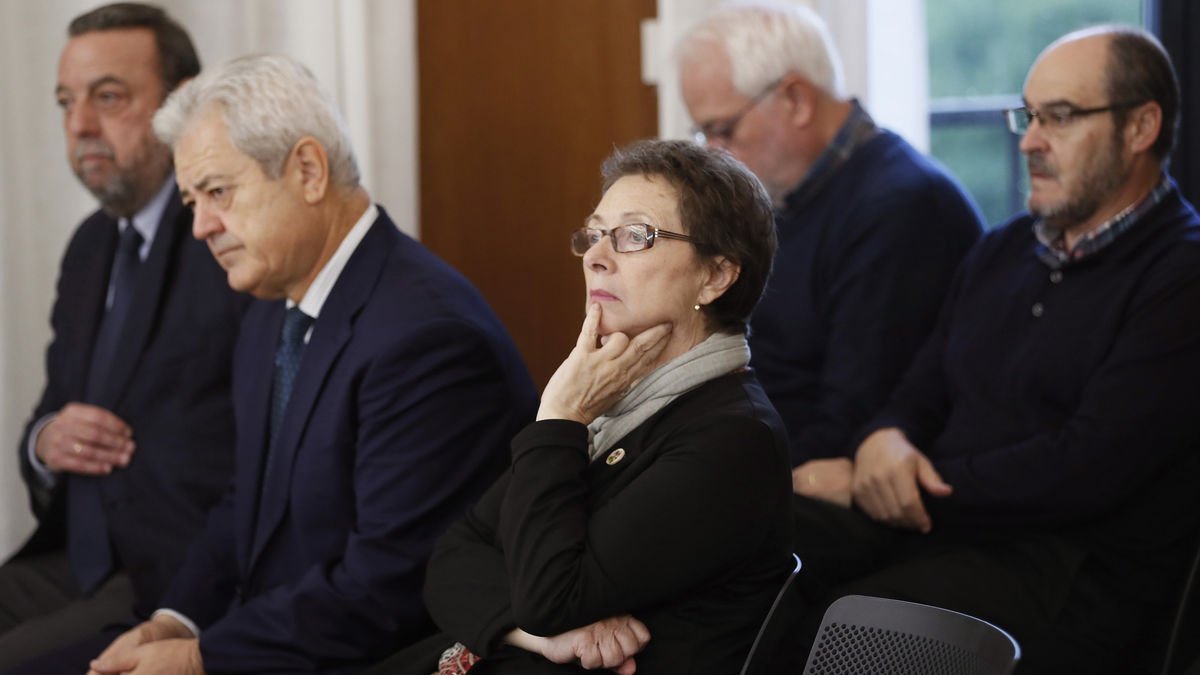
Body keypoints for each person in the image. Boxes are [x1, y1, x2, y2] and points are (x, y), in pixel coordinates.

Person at [12, 54, 539, 674]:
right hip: (269, 632)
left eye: (217, 192)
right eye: (190, 201)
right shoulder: (271, 304)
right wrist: (172, 621)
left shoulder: (428, 339)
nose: (202, 225)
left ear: (309, 171)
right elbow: (246, 505)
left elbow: (385, 593)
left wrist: (198, 658)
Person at [791, 25, 1200, 675]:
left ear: (1141, 126)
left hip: (1069, 570)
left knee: (841, 626)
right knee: (757, 541)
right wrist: (886, 440)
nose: (1029, 140)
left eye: (1059, 117)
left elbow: (1080, 469)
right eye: (1028, 114)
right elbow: (918, 390)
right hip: (945, 525)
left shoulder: (1179, 274)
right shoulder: (1004, 249)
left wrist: (896, 485)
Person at [368, 139, 793, 675]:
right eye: (595, 234)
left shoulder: (732, 437)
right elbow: (452, 560)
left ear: (715, 276)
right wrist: (538, 637)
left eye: (633, 236)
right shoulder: (616, 401)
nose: (595, 256)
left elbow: (551, 597)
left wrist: (561, 418)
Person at [0, 4, 246, 669]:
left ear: (182, 107)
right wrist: (44, 440)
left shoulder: (232, 237)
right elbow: (51, 411)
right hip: (70, 559)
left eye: (107, 97)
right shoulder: (89, 246)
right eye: (66, 102)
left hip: (171, 580)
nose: (79, 125)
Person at [677, 1, 983, 511]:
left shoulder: (902, 207)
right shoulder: (787, 194)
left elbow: (851, 419)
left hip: (842, 492)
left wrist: (704, 471)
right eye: (703, 133)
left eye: (723, 129)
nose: (712, 153)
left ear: (795, 99)